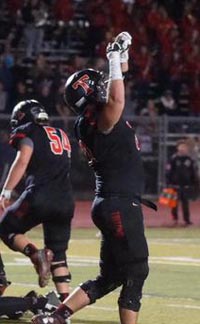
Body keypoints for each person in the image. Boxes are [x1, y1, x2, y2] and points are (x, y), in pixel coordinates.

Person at [32, 31, 156, 324]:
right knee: (137, 269)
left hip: (110, 203)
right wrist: (113, 57)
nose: (104, 85)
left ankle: (57, 317)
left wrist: (121, 54)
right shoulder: (102, 118)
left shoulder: (88, 119)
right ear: (91, 96)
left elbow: (115, 82)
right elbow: (115, 96)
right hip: (120, 205)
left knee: (111, 276)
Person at [0, 100, 74, 302]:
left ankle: (35, 254)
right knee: (58, 253)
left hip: (40, 194)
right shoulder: (61, 133)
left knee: (6, 227)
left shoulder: (28, 130)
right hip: (66, 200)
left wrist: (6, 190)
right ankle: (64, 307)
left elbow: (23, 159)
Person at [166, 139, 198, 225]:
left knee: (185, 204)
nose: (183, 148)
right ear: (177, 147)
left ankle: (186, 220)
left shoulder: (189, 160)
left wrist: (192, 183)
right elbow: (169, 171)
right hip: (175, 185)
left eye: (184, 146)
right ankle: (175, 219)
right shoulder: (173, 158)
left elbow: (192, 172)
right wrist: (169, 182)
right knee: (174, 204)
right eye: (181, 146)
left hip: (185, 185)